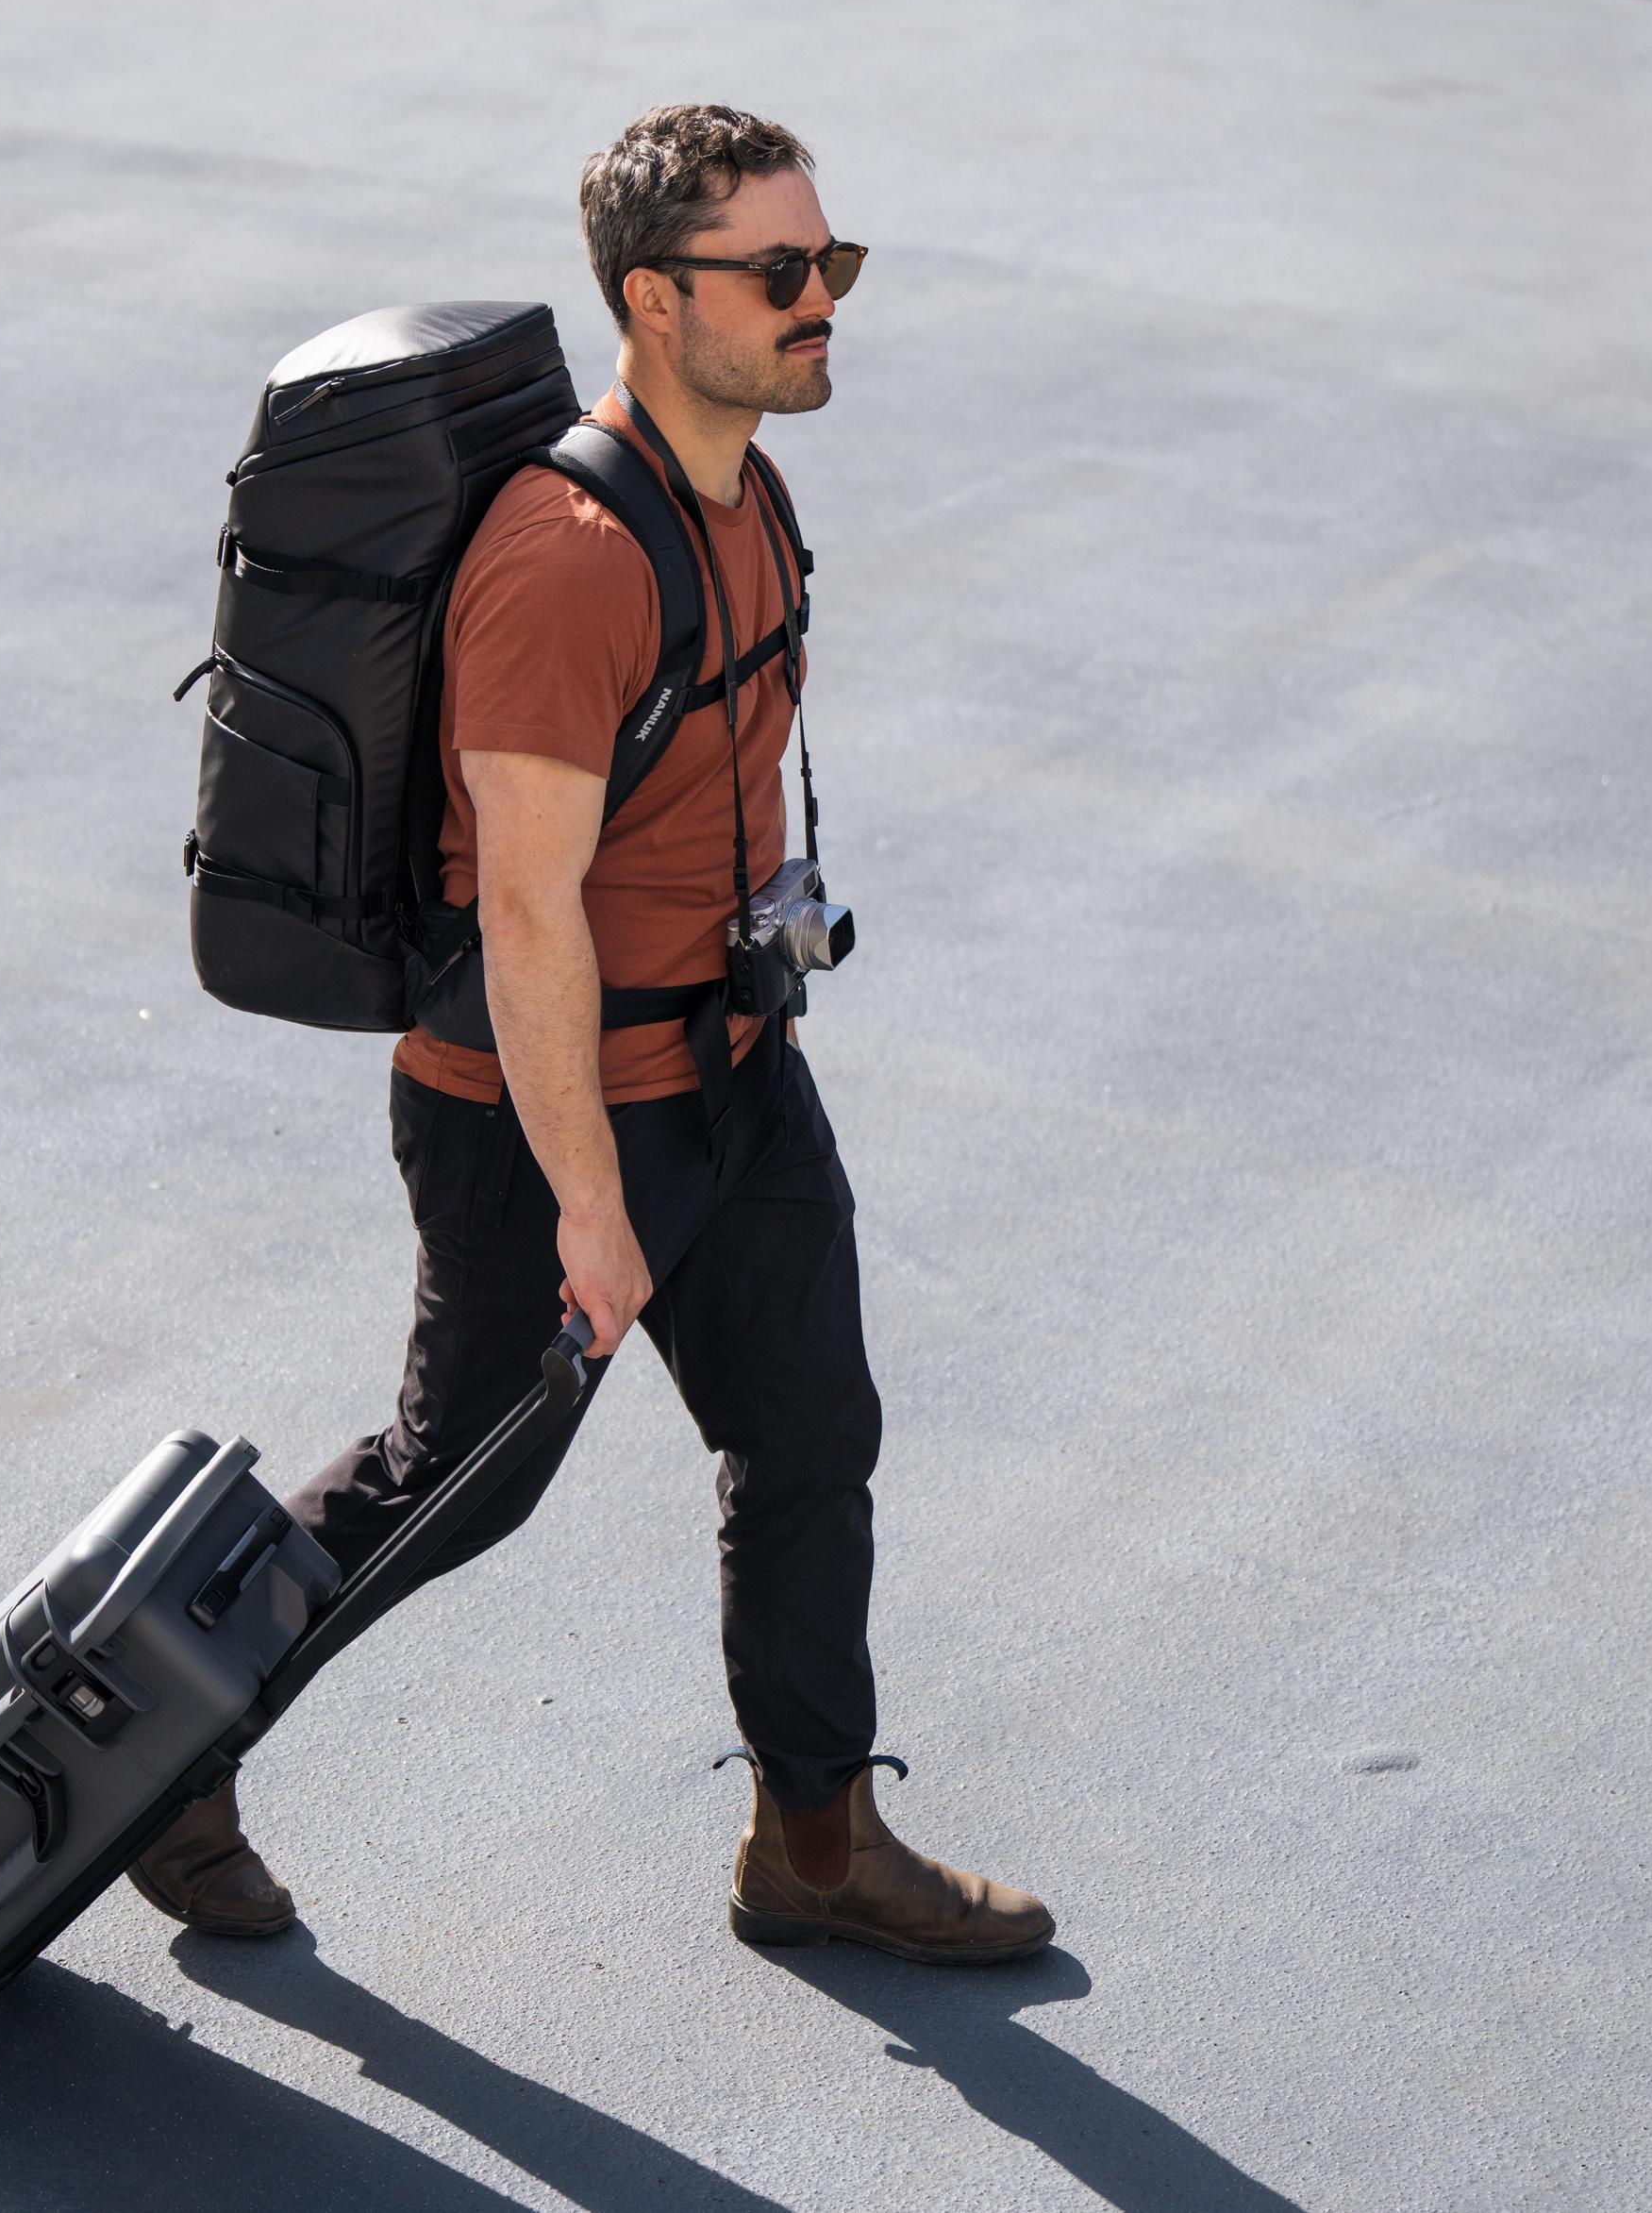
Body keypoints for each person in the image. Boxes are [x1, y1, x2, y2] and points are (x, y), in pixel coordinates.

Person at [130, 106, 1053, 1965]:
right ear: (653, 299)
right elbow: (525, 915)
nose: (820, 305)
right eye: (779, 275)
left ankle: (813, 1841)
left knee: (808, 1440)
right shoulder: (565, 563)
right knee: (447, 1485)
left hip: (728, 1063)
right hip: (540, 1116)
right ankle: (162, 1761)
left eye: (832, 265)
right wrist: (586, 1206)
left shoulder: (745, 490)